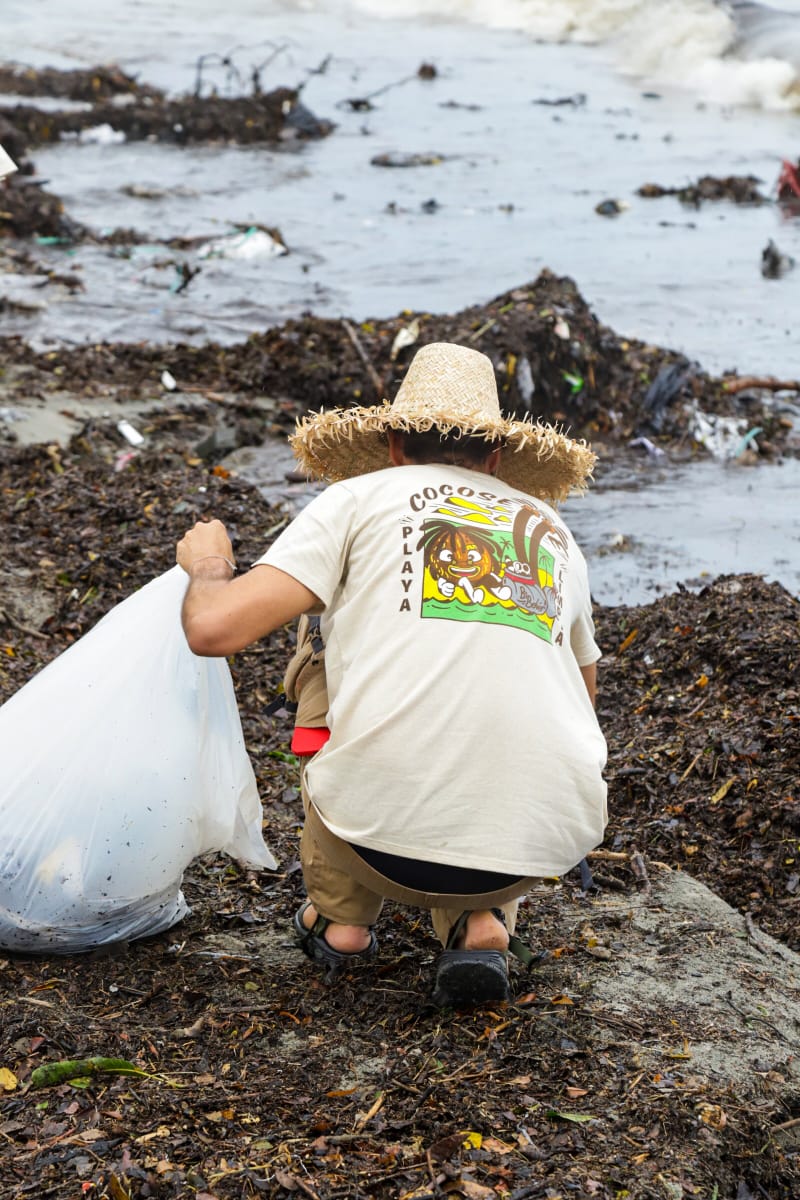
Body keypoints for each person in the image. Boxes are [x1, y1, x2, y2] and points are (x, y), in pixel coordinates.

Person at [177, 342, 607, 1007]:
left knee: (320, 637)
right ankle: (481, 921)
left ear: (394, 445)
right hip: (536, 844)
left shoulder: (357, 499)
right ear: (496, 459)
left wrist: (209, 566)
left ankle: (341, 921)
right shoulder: (551, 530)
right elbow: (582, 701)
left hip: (375, 841)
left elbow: (213, 631)